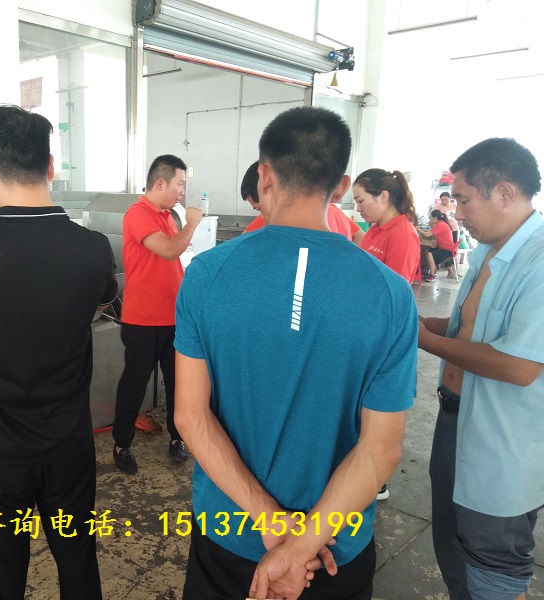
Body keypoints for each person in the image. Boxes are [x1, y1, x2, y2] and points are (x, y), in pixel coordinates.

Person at [174, 106, 417, 600]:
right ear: (342, 186)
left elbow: (190, 417)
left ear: (264, 176)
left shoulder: (206, 274)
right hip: (334, 547)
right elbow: (381, 448)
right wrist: (303, 543)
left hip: (231, 531)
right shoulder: (390, 293)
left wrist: (270, 521)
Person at [0, 105, 117, 600]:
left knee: (2, 569)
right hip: (67, 444)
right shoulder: (94, 247)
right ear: (51, 166)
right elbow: (99, 305)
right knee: (77, 560)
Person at [418, 137, 544, 600]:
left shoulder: (538, 259)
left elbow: (520, 365)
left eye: (464, 200)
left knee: (494, 560)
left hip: (503, 441)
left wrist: (425, 340)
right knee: (454, 545)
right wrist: (415, 322)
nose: (457, 213)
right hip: (455, 417)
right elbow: (467, 330)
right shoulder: (492, 250)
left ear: (505, 193)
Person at [111, 154, 202, 475]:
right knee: (134, 384)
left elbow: (174, 255)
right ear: (160, 183)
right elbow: (169, 249)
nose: (182, 191)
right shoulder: (138, 214)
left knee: (177, 384)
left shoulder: (167, 216)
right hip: (143, 320)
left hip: (173, 319)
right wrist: (193, 223)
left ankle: (177, 438)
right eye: (180, 184)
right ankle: (122, 444)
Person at [241, 160, 365, 244]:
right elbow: (361, 238)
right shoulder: (334, 212)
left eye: (260, 209)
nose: (262, 215)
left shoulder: (283, 222)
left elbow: (242, 242)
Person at [353, 169, 419, 284]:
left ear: (383, 196)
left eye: (360, 201)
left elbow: (396, 288)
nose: (358, 209)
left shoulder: (403, 235)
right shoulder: (376, 229)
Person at [417, 209, 457, 282]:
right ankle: (427, 270)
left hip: (447, 250)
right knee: (428, 250)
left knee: (429, 254)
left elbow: (427, 234)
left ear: (435, 218)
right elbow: (431, 232)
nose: (430, 219)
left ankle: (432, 275)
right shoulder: (442, 223)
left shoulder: (440, 225)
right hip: (449, 248)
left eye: (431, 217)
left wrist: (417, 229)